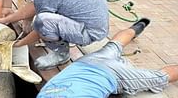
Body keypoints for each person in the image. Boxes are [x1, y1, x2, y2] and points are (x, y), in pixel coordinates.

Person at [37, 18, 178, 97]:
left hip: (113, 74)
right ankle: (138, 26)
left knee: (159, 78)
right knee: (114, 45)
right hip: (85, 64)